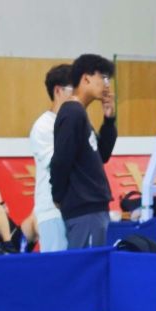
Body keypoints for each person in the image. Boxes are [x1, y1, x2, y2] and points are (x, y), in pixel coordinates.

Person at [48, 53, 117, 249]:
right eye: (102, 77)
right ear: (86, 78)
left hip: (93, 209)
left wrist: (109, 119)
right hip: (84, 210)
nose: (106, 84)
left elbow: (102, 155)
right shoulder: (72, 112)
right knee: (88, 266)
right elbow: (61, 160)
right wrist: (58, 196)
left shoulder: (80, 113)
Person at [27, 64, 74, 251]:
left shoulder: (79, 122)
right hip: (52, 210)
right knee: (58, 266)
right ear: (58, 91)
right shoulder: (43, 127)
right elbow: (58, 164)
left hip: (76, 211)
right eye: (73, 90)